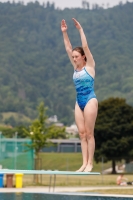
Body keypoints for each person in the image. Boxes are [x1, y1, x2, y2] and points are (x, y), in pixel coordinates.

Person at [61, 18, 98, 172]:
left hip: (90, 99)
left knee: (89, 133)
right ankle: (83, 163)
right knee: (81, 133)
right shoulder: (75, 67)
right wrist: (65, 33)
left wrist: (80, 30)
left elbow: (85, 46)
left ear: (83, 57)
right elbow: (69, 48)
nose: (74, 58)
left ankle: (90, 163)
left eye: (77, 56)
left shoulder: (89, 66)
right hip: (79, 101)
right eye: (74, 57)